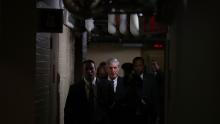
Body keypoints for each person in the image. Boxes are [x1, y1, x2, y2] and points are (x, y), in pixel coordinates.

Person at [64, 59, 112, 124]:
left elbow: (111, 107)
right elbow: (68, 111)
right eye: (86, 69)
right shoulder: (74, 89)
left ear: (95, 70)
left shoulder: (107, 85)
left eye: (91, 68)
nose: (89, 71)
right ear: (83, 71)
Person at [106, 58, 135, 124]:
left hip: (122, 118)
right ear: (107, 69)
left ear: (118, 68)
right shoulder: (100, 82)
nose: (113, 70)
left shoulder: (126, 83)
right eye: (110, 68)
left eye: (115, 68)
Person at [132, 57, 160, 124]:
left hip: (149, 114)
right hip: (134, 114)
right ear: (133, 67)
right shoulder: (130, 79)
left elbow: (155, 97)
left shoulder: (151, 78)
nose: (138, 68)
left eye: (140, 65)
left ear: (143, 66)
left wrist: (158, 115)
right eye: (136, 66)